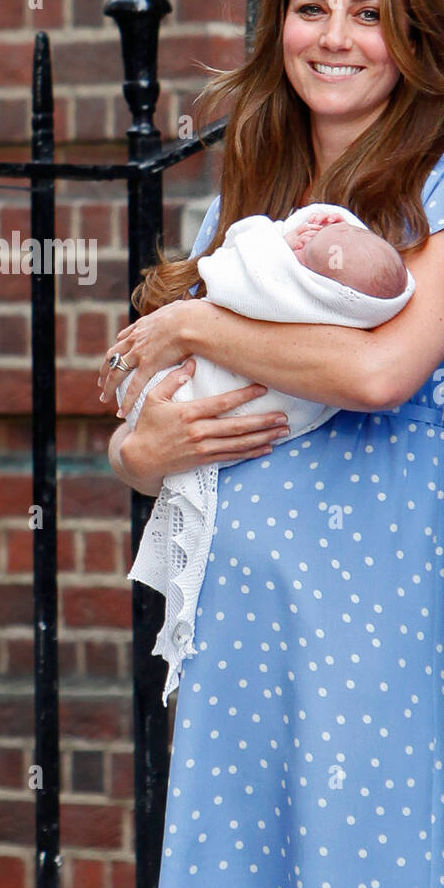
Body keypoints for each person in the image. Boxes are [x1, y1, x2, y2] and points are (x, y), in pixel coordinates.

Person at [98, 0, 444, 888]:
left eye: (370, 15)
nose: (338, 36)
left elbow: (380, 375)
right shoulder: (246, 209)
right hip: (244, 602)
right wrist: (144, 448)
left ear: (413, 40)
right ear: (281, 27)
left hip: (373, 607)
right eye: (314, 9)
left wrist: (200, 331)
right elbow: (140, 432)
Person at [117, 202, 415, 706]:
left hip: (370, 559)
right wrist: (138, 453)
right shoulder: (236, 195)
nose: (306, 237)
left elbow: (375, 377)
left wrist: (192, 322)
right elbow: (132, 447)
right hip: (233, 581)